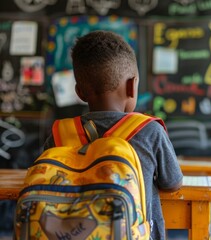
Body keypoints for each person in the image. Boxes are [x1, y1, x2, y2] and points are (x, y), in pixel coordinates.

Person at [43, 30, 183, 239]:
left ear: (79, 92)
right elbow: (172, 183)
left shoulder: (60, 134)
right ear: (131, 86)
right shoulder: (149, 130)